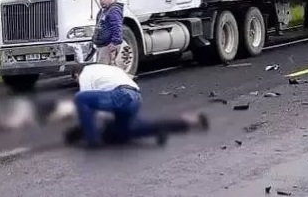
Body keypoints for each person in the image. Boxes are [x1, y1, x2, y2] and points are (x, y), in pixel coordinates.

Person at [66, 63, 207, 148]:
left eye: (76, 81)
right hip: (135, 97)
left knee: (80, 98)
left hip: (122, 95)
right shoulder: (104, 69)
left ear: (76, 75)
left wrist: (84, 128)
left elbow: (91, 107)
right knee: (121, 132)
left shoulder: (85, 75)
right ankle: (165, 127)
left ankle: (92, 141)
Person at [92, 0, 124, 65]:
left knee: (104, 69)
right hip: (101, 45)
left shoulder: (113, 10)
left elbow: (117, 27)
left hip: (108, 45)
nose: (102, 1)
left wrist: (114, 43)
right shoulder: (103, 11)